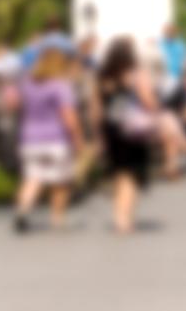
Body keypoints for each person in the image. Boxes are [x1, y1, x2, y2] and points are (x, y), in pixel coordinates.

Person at [11, 44, 85, 233]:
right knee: (60, 180)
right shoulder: (61, 86)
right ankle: (57, 219)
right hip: (56, 138)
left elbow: (15, 105)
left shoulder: (27, 84)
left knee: (33, 177)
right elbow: (68, 115)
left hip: (29, 138)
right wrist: (77, 138)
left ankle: (22, 209)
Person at [93, 37, 161, 234]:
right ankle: (125, 220)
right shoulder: (136, 75)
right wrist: (155, 111)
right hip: (132, 130)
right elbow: (148, 101)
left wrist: (98, 135)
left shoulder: (102, 77)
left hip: (110, 129)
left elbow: (96, 110)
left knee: (118, 174)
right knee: (132, 175)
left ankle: (118, 216)